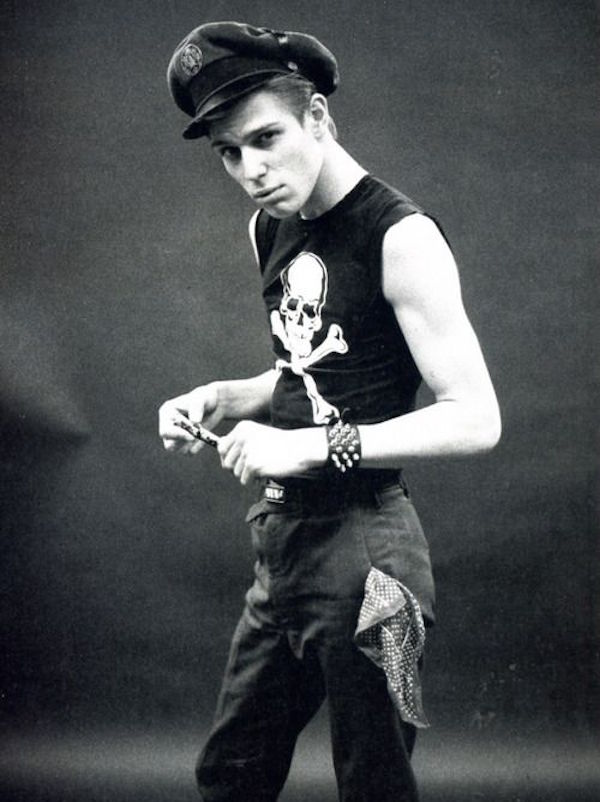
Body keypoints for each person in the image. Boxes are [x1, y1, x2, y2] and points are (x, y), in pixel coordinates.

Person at [159, 21, 501, 802]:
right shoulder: (270, 225)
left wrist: (311, 447)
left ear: (318, 118)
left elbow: (476, 418)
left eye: (267, 138)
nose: (251, 169)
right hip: (284, 554)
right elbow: (318, 370)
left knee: (375, 782)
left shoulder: (402, 236)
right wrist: (222, 398)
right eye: (230, 154)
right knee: (230, 772)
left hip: (375, 560)